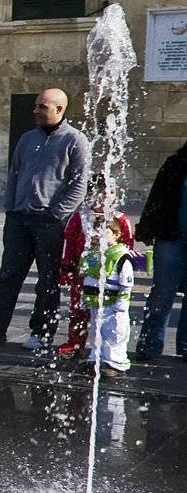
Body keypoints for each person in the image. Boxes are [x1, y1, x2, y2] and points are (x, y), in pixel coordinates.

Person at [0, 88, 92, 350]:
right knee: (8, 276)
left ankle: (42, 333)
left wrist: (56, 213)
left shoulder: (75, 141)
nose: (35, 111)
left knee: (48, 281)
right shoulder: (27, 139)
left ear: (59, 110)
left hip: (51, 222)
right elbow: (14, 174)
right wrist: (11, 207)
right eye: (36, 106)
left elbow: (80, 184)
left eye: (42, 107)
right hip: (19, 220)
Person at [54, 185, 135, 358]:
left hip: (110, 277)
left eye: (111, 192)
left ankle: (110, 351)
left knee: (110, 312)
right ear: (91, 193)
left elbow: (127, 248)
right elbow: (69, 240)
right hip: (83, 273)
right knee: (78, 308)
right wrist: (67, 266)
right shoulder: (80, 217)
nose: (105, 196)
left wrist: (124, 271)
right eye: (101, 191)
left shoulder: (121, 220)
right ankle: (75, 343)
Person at [135, 140, 187, 364]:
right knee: (162, 292)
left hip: (173, 236)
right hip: (171, 236)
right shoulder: (176, 163)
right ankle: (149, 345)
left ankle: (186, 347)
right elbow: (157, 197)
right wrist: (147, 227)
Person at [82, 214, 140, 377]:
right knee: (95, 331)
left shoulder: (121, 257)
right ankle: (96, 357)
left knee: (114, 333)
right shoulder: (93, 254)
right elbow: (87, 276)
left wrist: (122, 303)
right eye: (97, 232)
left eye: (104, 232)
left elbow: (126, 283)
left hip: (113, 303)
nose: (99, 236)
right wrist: (84, 297)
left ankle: (115, 362)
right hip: (96, 302)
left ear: (116, 234)